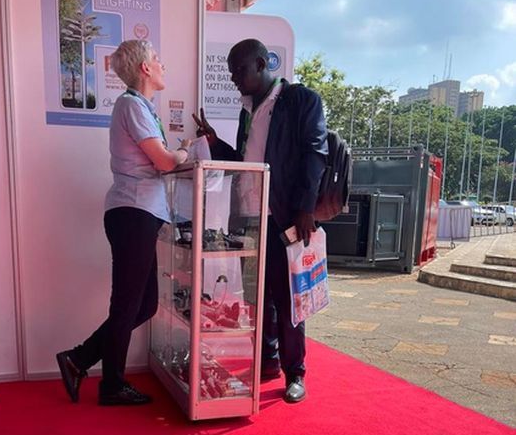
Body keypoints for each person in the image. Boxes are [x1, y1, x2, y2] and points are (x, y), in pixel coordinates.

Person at [56, 40, 192, 406]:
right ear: (145, 68)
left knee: (144, 305)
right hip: (133, 213)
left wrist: (174, 155)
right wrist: (184, 150)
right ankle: (111, 384)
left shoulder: (140, 107)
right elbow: (165, 162)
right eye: (157, 59)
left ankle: (78, 359)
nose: (162, 65)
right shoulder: (131, 105)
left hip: (139, 214)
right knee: (127, 305)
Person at [193, 38, 328, 403]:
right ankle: (268, 360)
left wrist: (306, 208)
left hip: (286, 216)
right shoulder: (248, 111)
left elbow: (315, 154)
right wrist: (214, 142)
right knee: (258, 297)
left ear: (261, 63)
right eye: (231, 72)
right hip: (251, 220)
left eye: (239, 70)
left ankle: (295, 371)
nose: (234, 78)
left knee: (288, 299)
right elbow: (244, 164)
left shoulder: (301, 100)